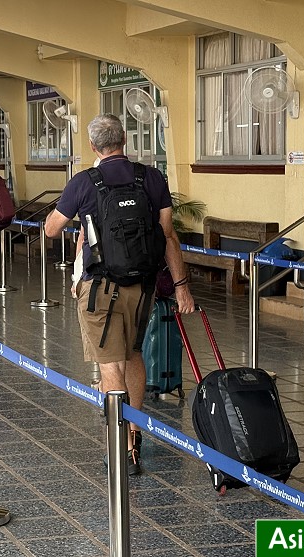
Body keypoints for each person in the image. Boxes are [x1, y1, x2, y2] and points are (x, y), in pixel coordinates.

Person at [44, 114, 195, 475]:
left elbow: (51, 229)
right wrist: (181, 286)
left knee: (110, 364)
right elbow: (168, 235)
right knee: (133, 354)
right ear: (124, 139)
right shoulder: (151, 177)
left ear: (93, 146)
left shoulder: (84, 182)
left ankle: (122, 448)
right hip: (142, 287)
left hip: (100, 289)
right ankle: (135, 432)